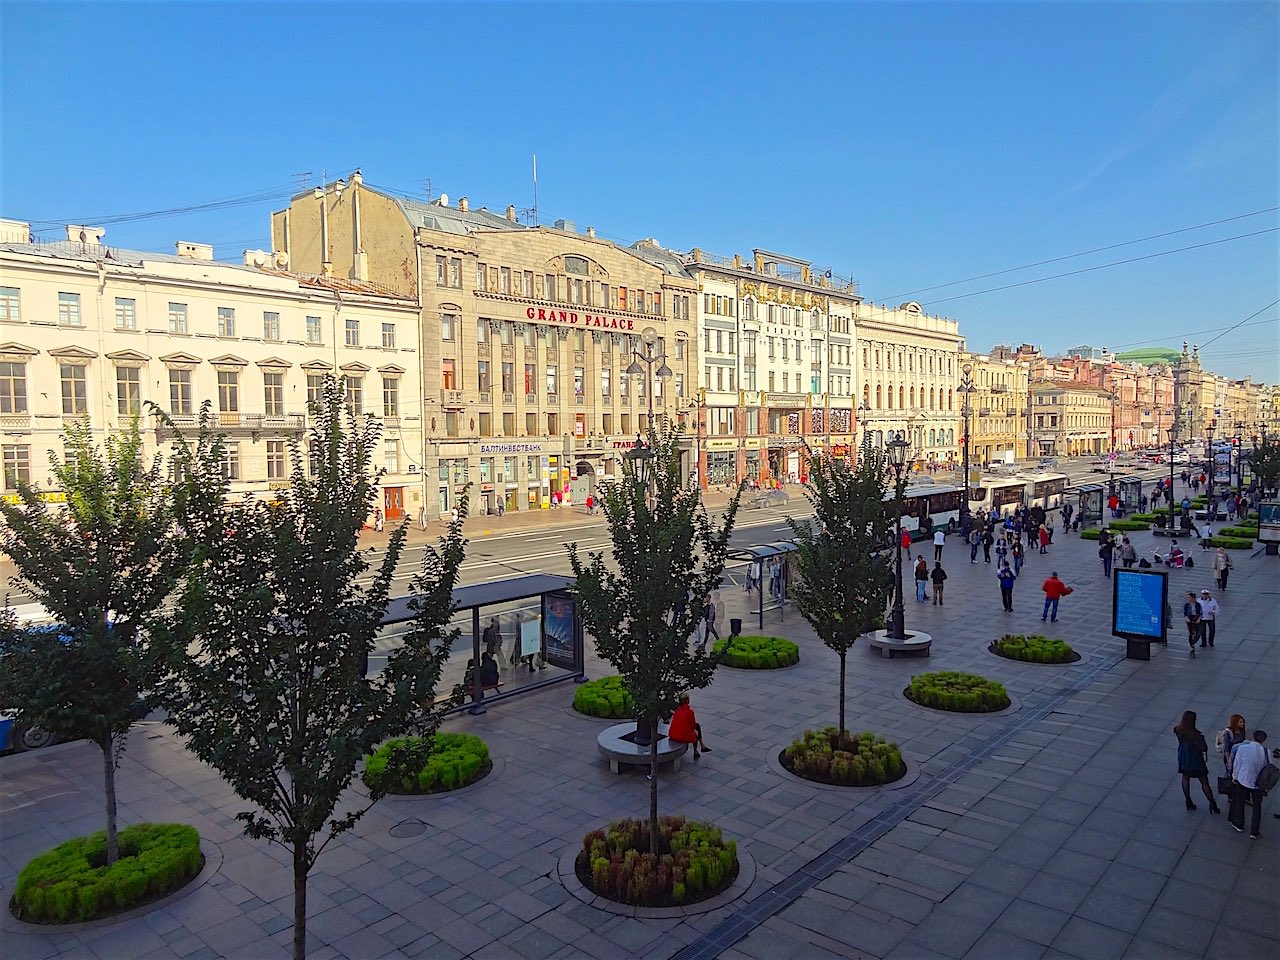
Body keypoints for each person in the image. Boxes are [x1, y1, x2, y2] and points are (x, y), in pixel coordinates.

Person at [1174, 711, 1220, 813]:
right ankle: (1212, 803)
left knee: (1185, 778)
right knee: (1204, 782)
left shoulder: (1178, 729)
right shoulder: (1197, 735)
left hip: (1184, 757)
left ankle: (1188, 800)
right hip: (1196, 761)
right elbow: (1204, 748)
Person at [1227, 730, 1269, 838]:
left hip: (1243, 780)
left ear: (1252, 737)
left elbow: (1237, 764)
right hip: (1258, 783)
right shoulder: (1266, 751)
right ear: (1263, 740)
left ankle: (1239, 824)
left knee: (1239, 802)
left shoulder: (1242, 748)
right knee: (1257, 807)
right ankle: (1254, 832)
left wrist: (1234, 777)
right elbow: (1268, 768)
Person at [668, 693, 710, 758]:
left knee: (696, 727)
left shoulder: (677, 710)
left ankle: (702, 746)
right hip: (682, 736)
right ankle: (696, 751)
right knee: (696, 731)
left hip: (672, 734)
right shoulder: (690, 712)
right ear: (687, 700)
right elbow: (693, 725)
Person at [1182, 592, 1202, 657]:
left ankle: (1193, 642)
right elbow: (1185, 613)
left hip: (1196, 618)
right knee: (1191, 632)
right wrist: (1186, 617)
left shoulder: (1198, 604)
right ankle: (1191, 645)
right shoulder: (1187, 605)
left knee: (1198, 633)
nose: (1188, 599)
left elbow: (1200, 612)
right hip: (1189, 618)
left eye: (1189, 597)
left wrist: (1199, 618)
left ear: (1193, 598)